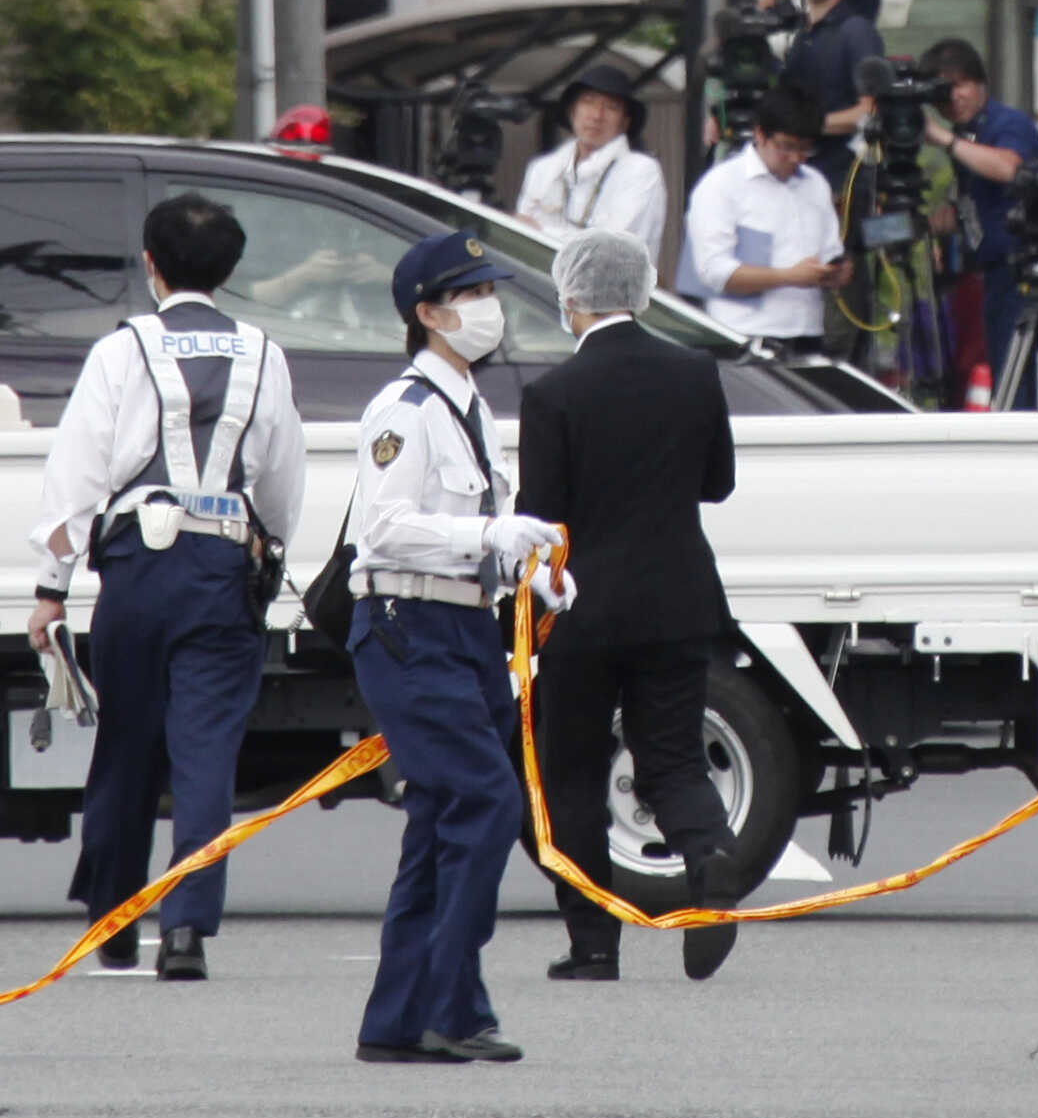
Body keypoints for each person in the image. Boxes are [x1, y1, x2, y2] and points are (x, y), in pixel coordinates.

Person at [25, 195, 306, 979]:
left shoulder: (123, 351)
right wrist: (269, 552)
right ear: (230, 270)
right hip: (222, 567)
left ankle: (114, 917)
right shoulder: (263, 351)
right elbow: (282, 478)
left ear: (151, 265)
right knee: (207, 752)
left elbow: (75, 471)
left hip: (138, 570)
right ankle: (186, 928)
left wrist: (51, 587)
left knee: (126, 748)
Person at [348, 231, 569, 1063]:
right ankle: (453, 1004)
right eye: (470, 296)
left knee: (444, 815)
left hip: (464, 623)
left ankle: (400, 1021)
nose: (487, 310)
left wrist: (524, 564)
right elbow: (385, 528)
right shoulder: (404, 410)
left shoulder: (467, 404)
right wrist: (488, 528)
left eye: (487, 292)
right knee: (486, 801)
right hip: (409, 626)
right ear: (428, 314)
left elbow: (469, 532)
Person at [515, 230, 746, 984]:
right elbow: (716, 484)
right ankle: (708, 859)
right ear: (643, 290)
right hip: (679, 596)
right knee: (671, 755)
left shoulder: (553, 395)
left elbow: (541, 517)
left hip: (583, 610)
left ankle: (592, 944)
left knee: (573, 771)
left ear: (570, 297)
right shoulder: (693, 373)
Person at [917, 37, 1038, 390]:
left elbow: (1009, 167)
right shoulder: (966, 133)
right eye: (943, 92)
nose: (953, 98)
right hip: (993, 274)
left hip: (1025, 272)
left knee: (1018, 382)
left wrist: (945, 140)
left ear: (979, 83)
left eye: (959, 85)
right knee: (1001, 372)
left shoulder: (1007, 123)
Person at [683, 88, 852, 352]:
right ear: (760, 134)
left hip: (808, 331)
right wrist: (789, 276)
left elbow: (831, 252)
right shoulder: (722, 184)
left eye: (806, 149)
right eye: (786, 147)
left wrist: (835, 273)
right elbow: (713, 271)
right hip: (744, 335)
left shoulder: (815, 183)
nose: (796, 158)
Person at [515, 64, 669, 261]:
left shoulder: (641, 170)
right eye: (588, 102)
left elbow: (614, 250)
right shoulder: (543, 168)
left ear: (625, 122)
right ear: (572, 111)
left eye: (611, 107)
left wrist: (541, 232)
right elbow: (521, 238)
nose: (597, 115)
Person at [775, 0, 884, 188]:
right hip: (797, 179)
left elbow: (871, 110)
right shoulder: (798, 35)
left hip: (842, 185)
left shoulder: (856, 31)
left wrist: (806, 124)